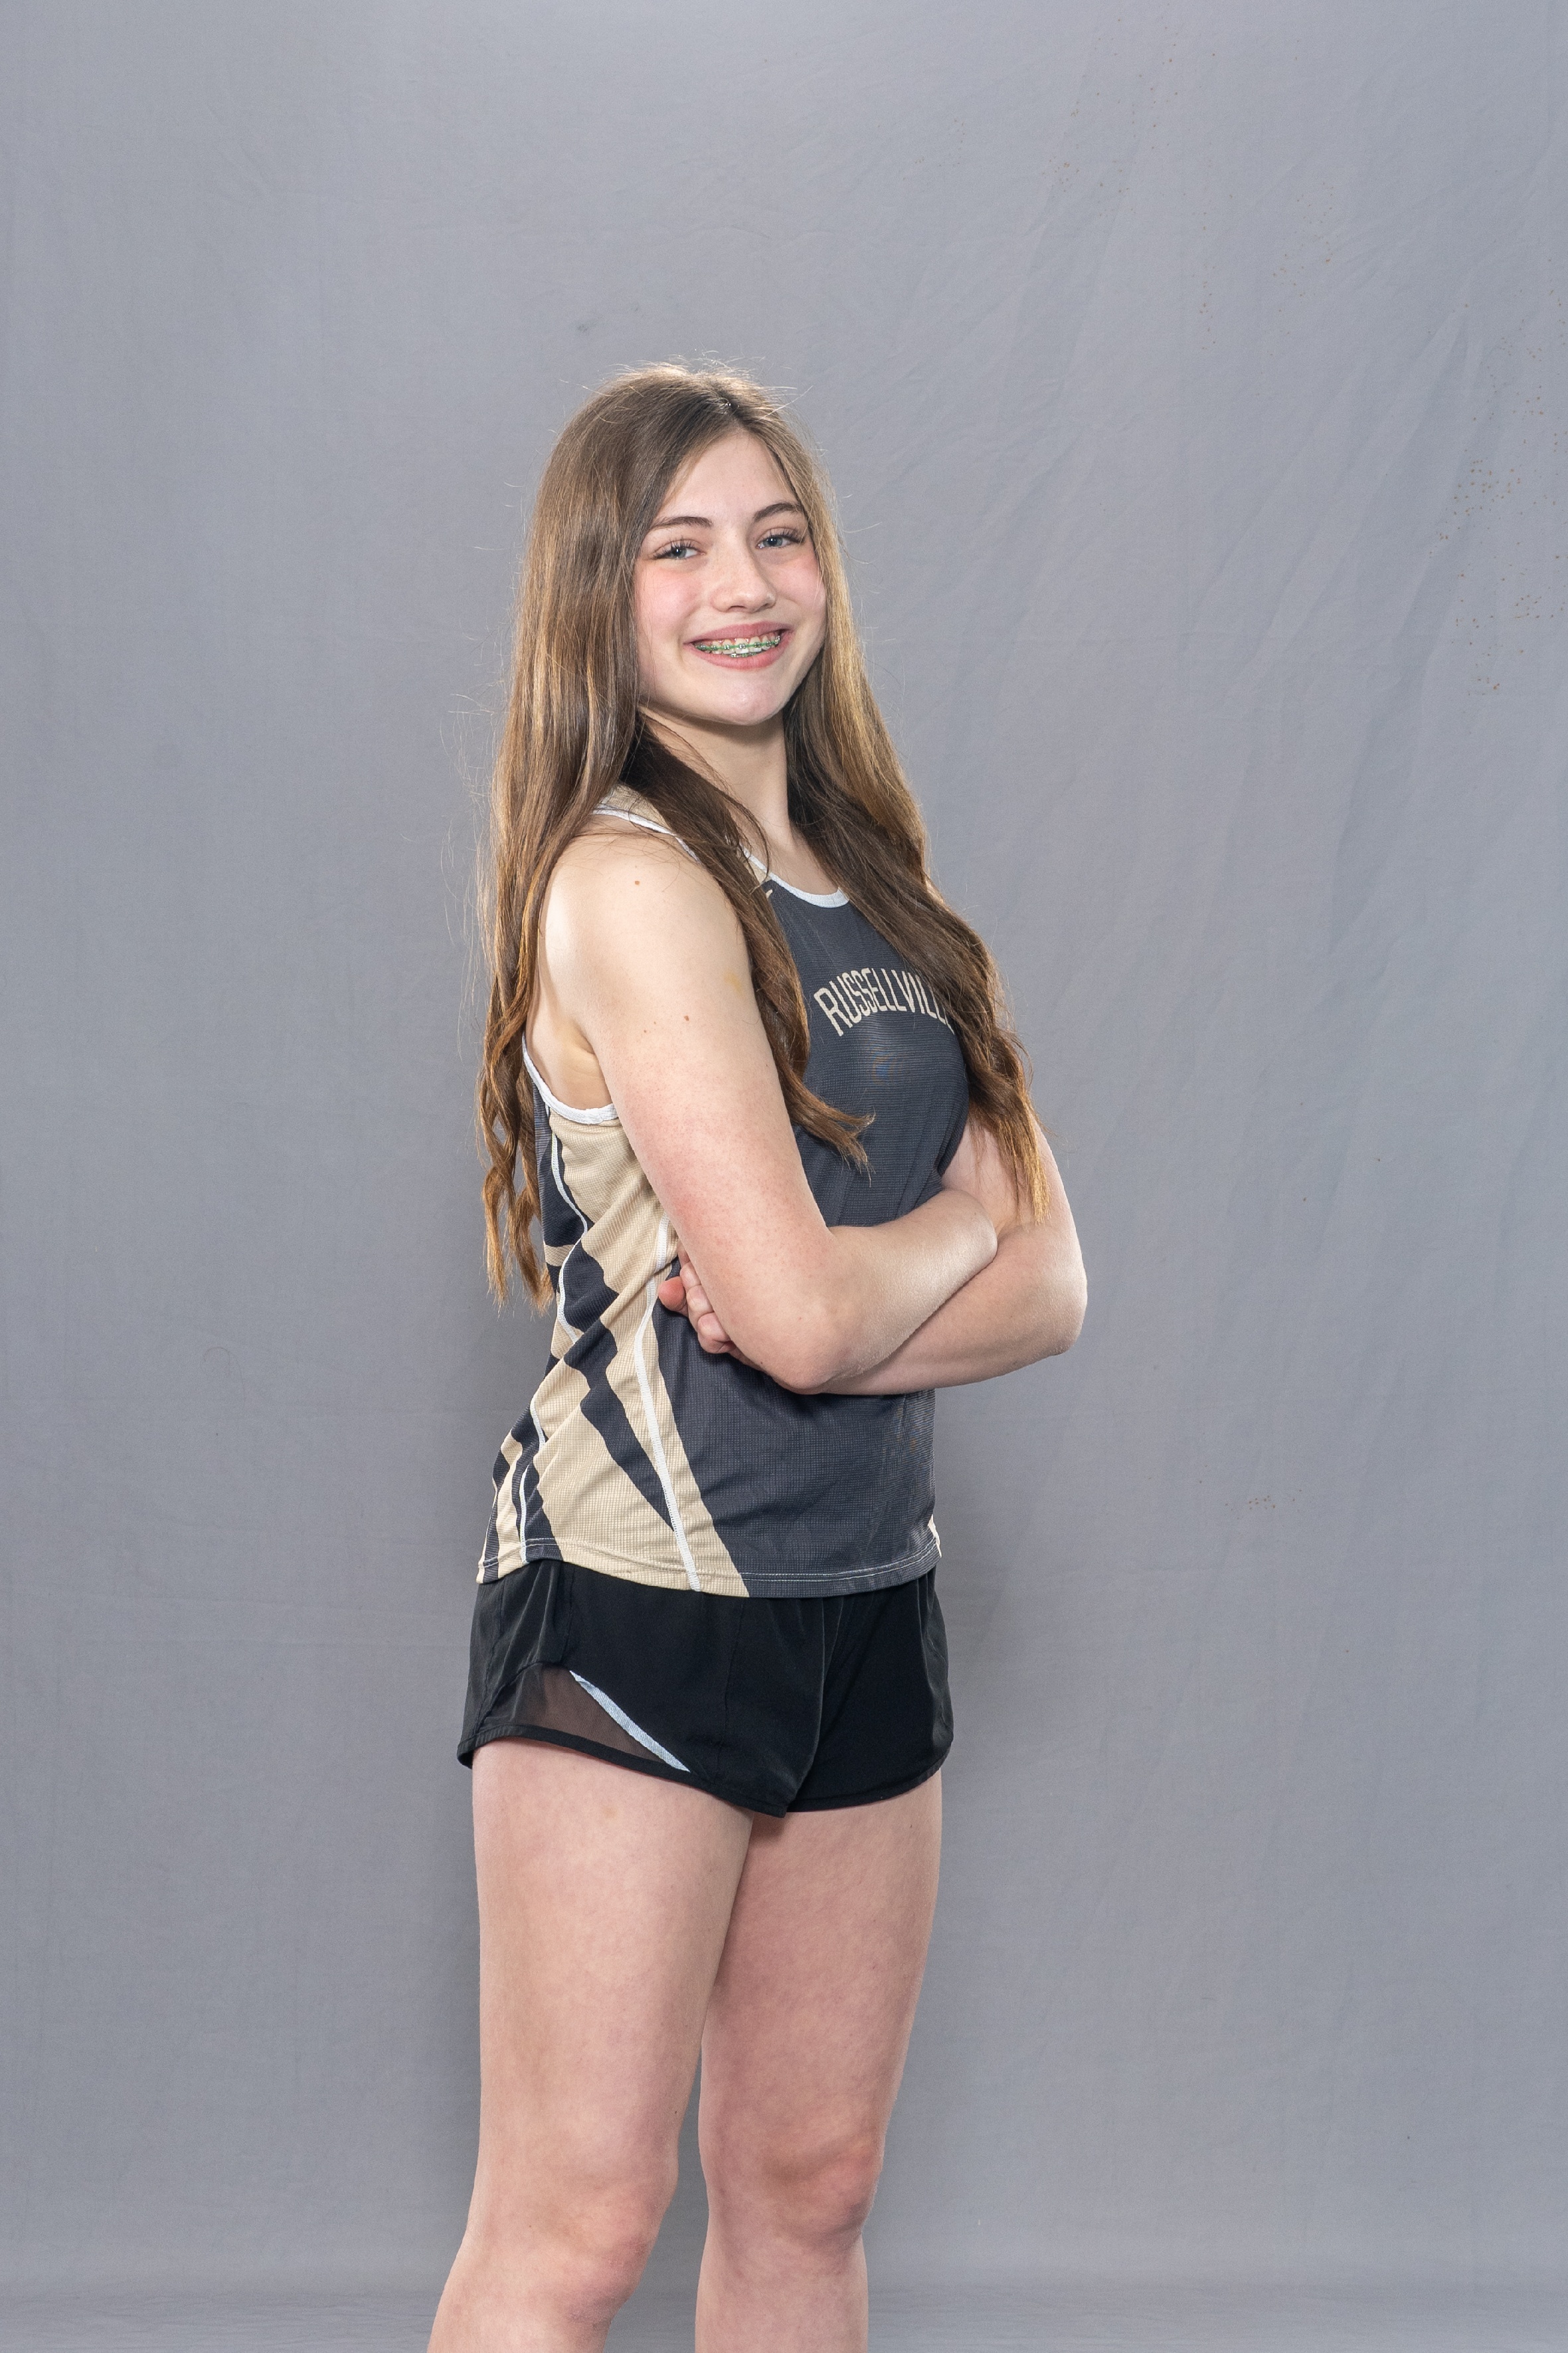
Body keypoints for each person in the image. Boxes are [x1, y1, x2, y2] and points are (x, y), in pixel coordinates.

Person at [429, 363, 1087, 2353]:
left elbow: (1055, 1285)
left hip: (867, 1589)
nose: (745, 585)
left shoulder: (889, 893)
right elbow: (797, 1321)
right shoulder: (629, 881)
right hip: (644, 1598)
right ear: (600, 594)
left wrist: (916, 1258)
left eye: (779, 536)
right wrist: (943, 1240)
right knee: (580, 2228)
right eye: (682, 547)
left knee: (810, 2193)